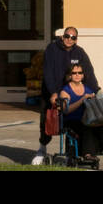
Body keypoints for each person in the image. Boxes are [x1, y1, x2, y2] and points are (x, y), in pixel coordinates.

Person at [32, 27, 98, 165]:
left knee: (72, 123)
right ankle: (42, 149)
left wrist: (96, 91)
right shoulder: (52, 49)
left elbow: (89, 73)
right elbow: (48, 72)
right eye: (67, 36)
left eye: (73, 37)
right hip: (52, 93)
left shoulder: (79, 52)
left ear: (76, 40)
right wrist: (53, 93)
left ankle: (70, 153)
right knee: (47, 123)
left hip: (70, 94)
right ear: (62, 36)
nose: (69, 39)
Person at [57, 67, 103, 168]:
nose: (77, 75)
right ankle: (88, 155)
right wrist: (82, 99)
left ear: (83, 75)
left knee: (102, 126)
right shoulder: (65, 91)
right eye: (74, 73)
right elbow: (66, 110)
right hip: (72, 120)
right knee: (87, 125)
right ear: (69, 75)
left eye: (80, 72)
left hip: (87, 119)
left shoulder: (87, 89)